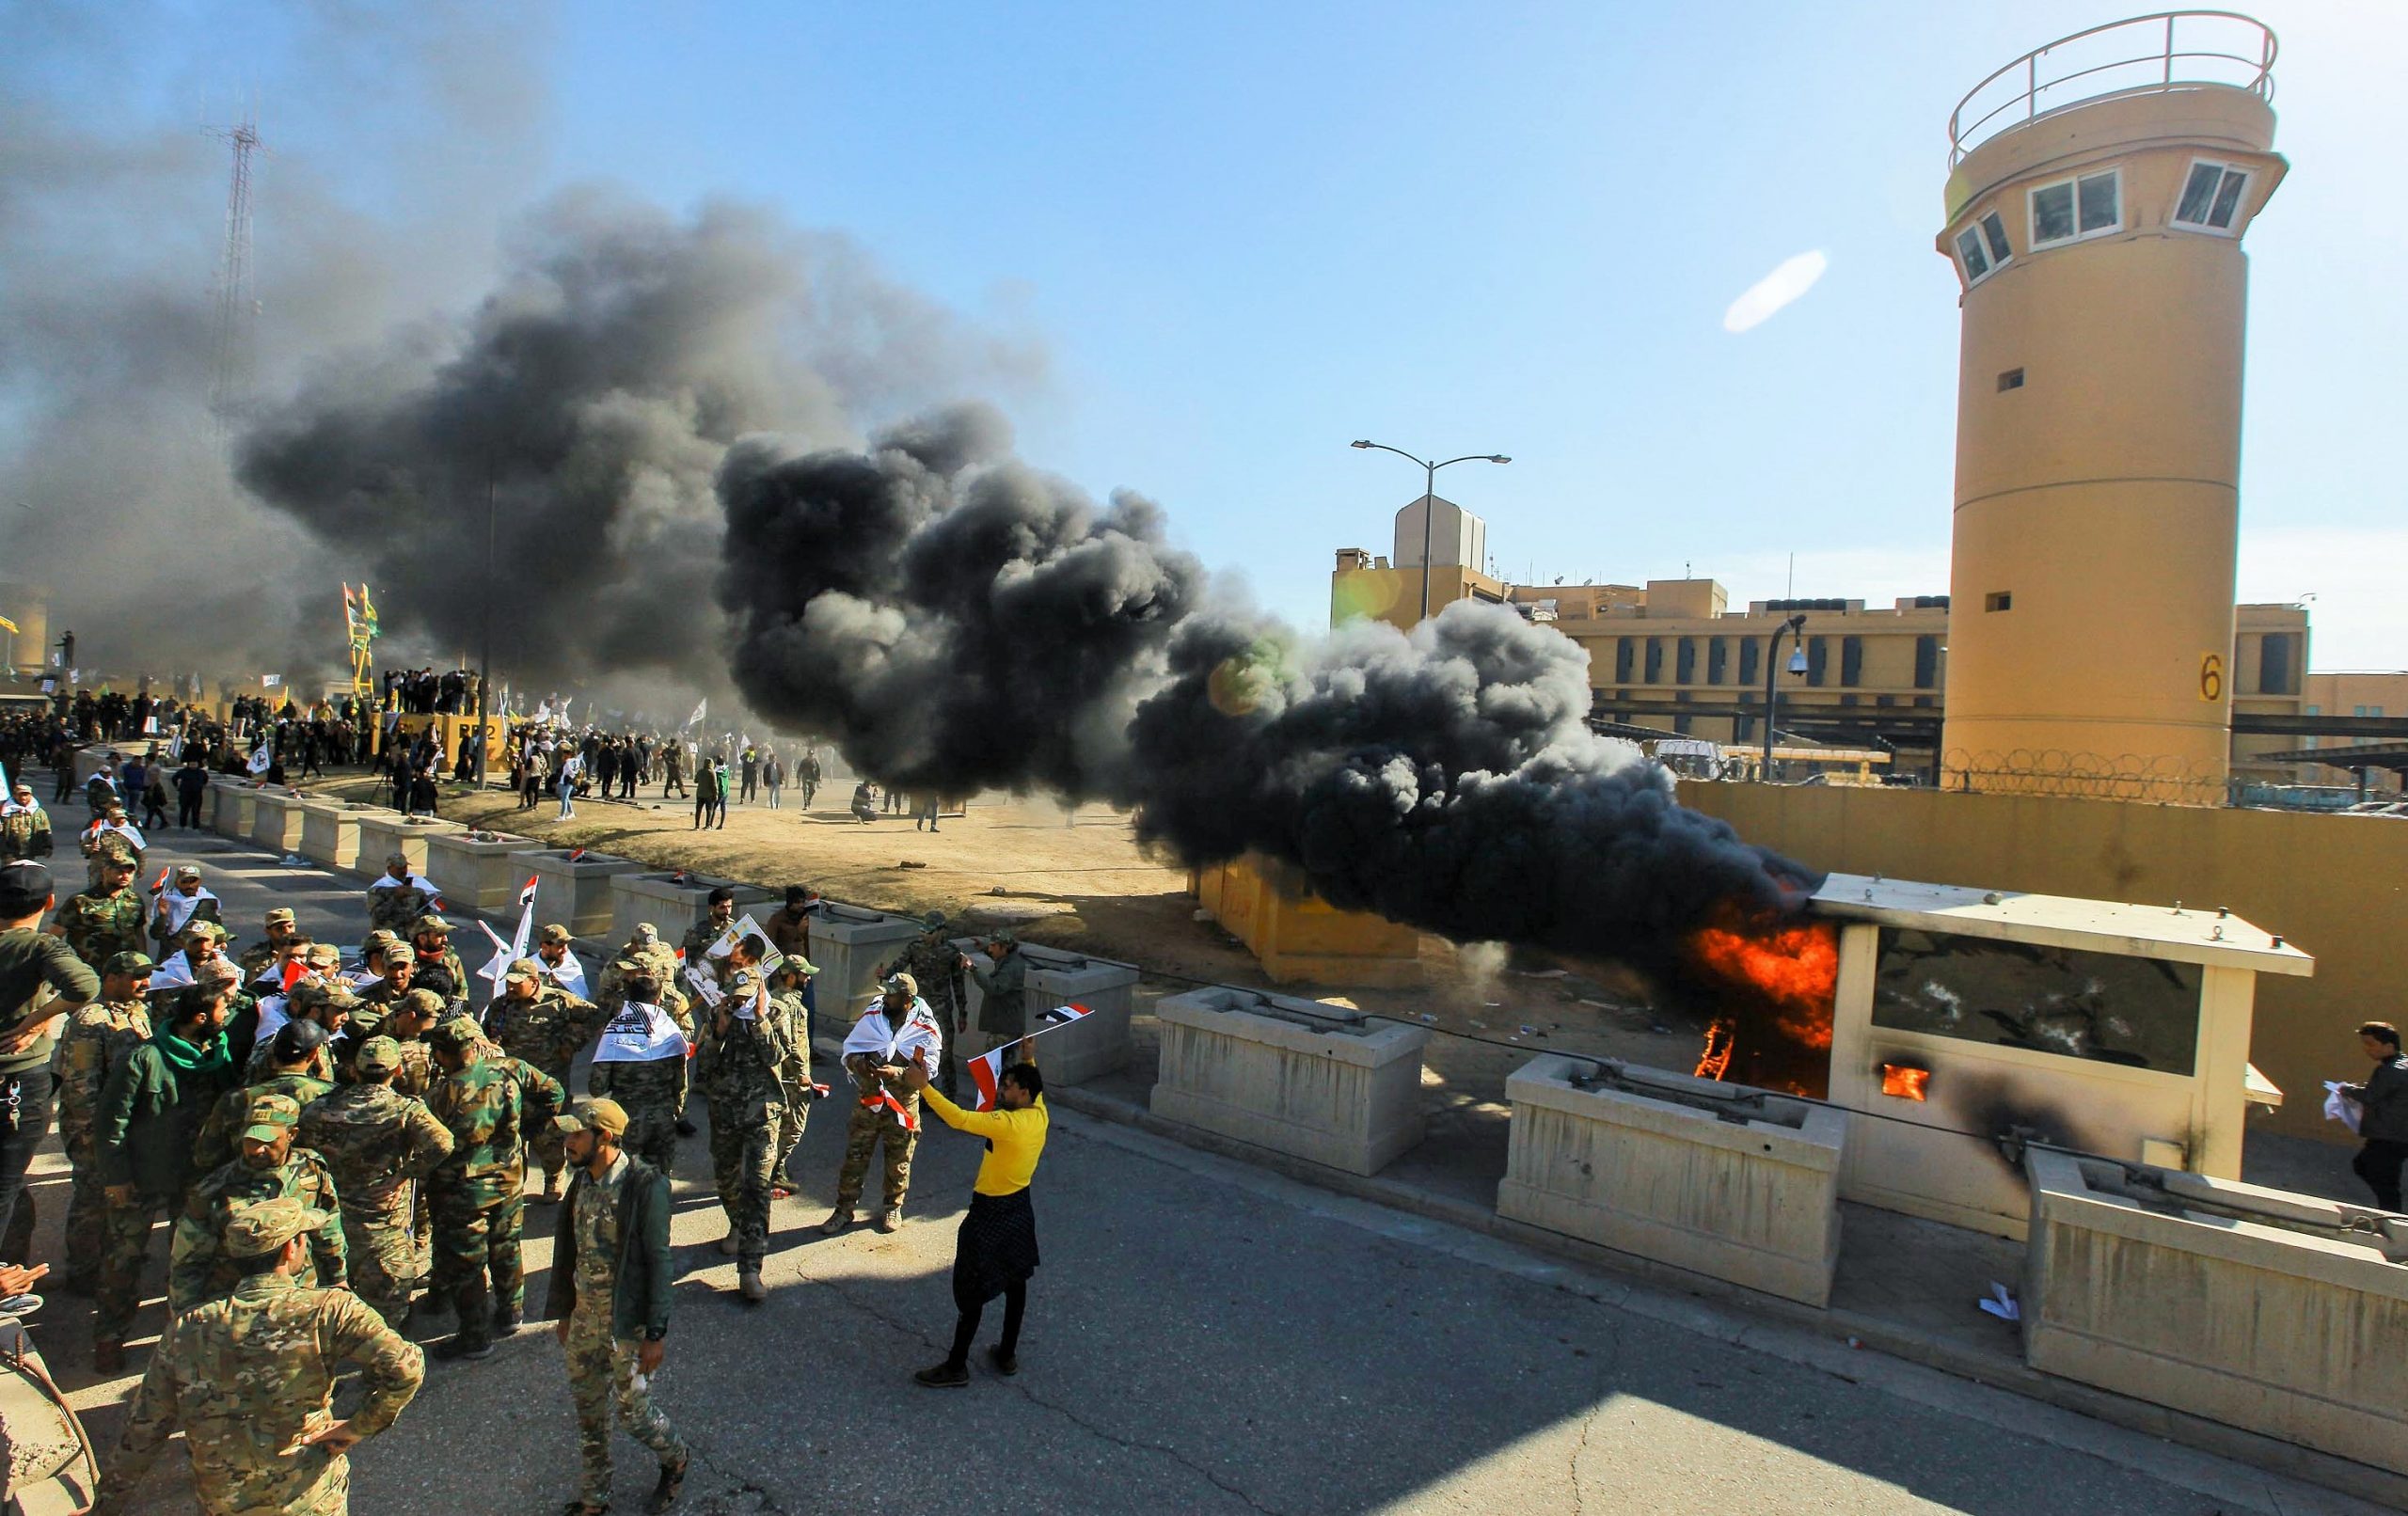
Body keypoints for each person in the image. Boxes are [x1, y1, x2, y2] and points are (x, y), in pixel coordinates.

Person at [95, 1196, 423, 1516]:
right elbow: (406, 1369)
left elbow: (144, 1428)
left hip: (222, 1503)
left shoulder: (188, 1328)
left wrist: (104, 1508)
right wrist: (357, 1427)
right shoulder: (330, 1311)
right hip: (309, 1499)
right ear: (290, 1249)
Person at [92, 958, 243, 1371]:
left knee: (189, 1263)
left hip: (194, 1175)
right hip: (141, 1177)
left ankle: (180, 1341)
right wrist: (116, 1178)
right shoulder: (144, 1060)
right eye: (220, 1011)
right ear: (199, 1017)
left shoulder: (216, 1056)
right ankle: (109, 1336)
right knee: (123, 1259)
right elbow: (110, 1125)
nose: (225, 1016)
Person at [546, 1099, 689, 1516]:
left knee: (633, 1415)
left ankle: (676, 1459)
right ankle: (595, 1501)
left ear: (605, 1137)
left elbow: (660, 1261)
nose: (567, 1142)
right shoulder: (582, 1181)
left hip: (628, 1324)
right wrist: (565, 1312)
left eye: (576, 1134)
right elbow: (568, 1250)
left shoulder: (644, 1185)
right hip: (585, 1319)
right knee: (589, 1410)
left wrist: (655, 1333)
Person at [424, 1016, 564, 1360]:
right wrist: (529, 1126)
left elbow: (429, 1147)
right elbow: (554, 1091)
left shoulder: (442, 1094)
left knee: (468, 1261)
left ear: (445, 1053)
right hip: (510, 1178)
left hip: (463, 1191)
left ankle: (475, 1337)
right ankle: (511, 1311)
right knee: (506, 1244)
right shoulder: (510, 1069)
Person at [905, 1058, 1049, 1387]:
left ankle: (957, 1365)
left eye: (1008, 1086)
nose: (1002, 1090)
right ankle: (1007, 1353)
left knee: (971, 1287)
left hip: (988, 1212)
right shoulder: (1039, 1114)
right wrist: (1029, 1056)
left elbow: (958, 1119)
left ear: (1023, 1093)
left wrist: (923, 1086)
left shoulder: (1006, 1124)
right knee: (1016, 1280)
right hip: (1019, 1207)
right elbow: (1038, 1091)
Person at [299, 1035, 452, 1328]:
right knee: (389, 1294)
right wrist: (404, 1173)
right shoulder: (405, 1109)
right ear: (397, 1072)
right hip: (384, 1216)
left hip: (333, 1211)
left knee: (334, 1282)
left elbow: (303, 1143)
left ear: (356, 1070)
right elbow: (443, 1143)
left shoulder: (322, 1107)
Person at [167, 1090, 347, 1314]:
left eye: (268, 1141)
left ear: (292, 1134)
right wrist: (184, 1317)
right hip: (239, 1308)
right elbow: (187, 1264)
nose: (256, 1149)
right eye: (251, 1140)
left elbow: (328, 1225)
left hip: (300, 1297)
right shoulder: (213, 1192)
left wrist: (339, 1278)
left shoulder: (311, 1169)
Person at [0, 860, 98, 1263]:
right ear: (51, 901)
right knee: (5, 1186)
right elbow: (85, 985)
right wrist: (38, 1019)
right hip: (18, 1080)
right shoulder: (39, 947)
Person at [694, 940, 801, 1302]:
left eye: (746, 996)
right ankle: (737, 1225)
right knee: (726, 1177)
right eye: (735, 997)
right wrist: (720, 1032)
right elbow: (704, 1070)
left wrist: (757, 1021)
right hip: (724, 1111)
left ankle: (751, 1268)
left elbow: (777, 1055)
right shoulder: (718, 1014)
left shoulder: (775, 1014)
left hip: (763, 1113)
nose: (739, 1002)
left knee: (756, 1186)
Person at [56, 950, 154, 1294]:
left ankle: (115, 1262)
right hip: (95, 1132)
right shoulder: (89, 1020)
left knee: (122, 1199)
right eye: (136, 976)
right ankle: (83, 1272)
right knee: (92, 1201)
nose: (145, 982)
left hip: (126, 1127)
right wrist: (95, 1139)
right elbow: (81, 1087)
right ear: (111, 979)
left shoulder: (139, 1011)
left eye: (147, 975)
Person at [822, 971, 943, 1235]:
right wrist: (860, 1064)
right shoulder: (874, 1015)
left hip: (902, 1106)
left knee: (899, 1159)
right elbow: (851, 1050)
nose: (885, 998)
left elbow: (927, 1071)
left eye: (892, 995)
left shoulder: (924, 1028)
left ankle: (893, 1207)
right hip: (869, 1100)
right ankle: (843, 1210)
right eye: (885, 993)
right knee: (855, 1156)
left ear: (907, 1000)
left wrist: (896, 1073)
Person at [485, 957, 604, 1203]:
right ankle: (515, 1183)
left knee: (548, 1137)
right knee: (512, 1136)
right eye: (508, 982)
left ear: (533, 982)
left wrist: (571, 1043)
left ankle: (553, 1177)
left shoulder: (559, 1001)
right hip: (512, 1084)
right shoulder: (501, 1005)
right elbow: (487, 1032)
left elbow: (595, 1017)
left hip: (548, 1084)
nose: (511, 988)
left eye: (517, 983)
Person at [587, 973, 689, 1176]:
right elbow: (681, 1083)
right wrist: (676, 1110)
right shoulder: (670, 1032)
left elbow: (596, 1087)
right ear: (658, 999)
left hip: (625, 1120)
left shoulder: (615, 1031)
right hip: (663, 1120)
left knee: (622, 1178)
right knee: (658, 1181)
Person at [881, 912, 967, 1098]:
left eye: (930, 932)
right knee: (919, 1053)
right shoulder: (915, 948)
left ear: (941, 931)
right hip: (917, 1011)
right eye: (924, 932)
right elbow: (897, 968)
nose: (925, 936)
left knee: (944, 1055)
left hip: (941, 1011)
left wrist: (963, 1013)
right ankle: (925, 1096)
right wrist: (885, 977)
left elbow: (958, 984)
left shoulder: (952, 952)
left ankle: (948, 1099)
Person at [2337, 1021, 2408, 1210]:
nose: (2366, 1049)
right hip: (2392, 1135)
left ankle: (2394, 1221)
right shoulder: (2398, 1066)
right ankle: (2391, 1216)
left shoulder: (2392, 1070)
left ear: (2389, 1046)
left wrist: (2347, 1089)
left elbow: (2370, 1096)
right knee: (2365, 1166)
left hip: (2391, 1136)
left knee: (2382, 1179)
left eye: (2371, 1044)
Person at [54, 851, 149, 974]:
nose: (125, 876)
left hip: (125, 969)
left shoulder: (135, 900)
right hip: (89, 969)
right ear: (105, 871)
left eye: (130, 872)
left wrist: (144, 961)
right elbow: (55, 935)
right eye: (120, 871)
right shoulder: (81, 901)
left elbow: (138, 933)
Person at [967, 928, 1033, 1066]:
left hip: (1004, 1029)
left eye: (993, 946)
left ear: (1005, 947)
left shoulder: (1011, 967)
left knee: (994, 1068)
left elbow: (994, 988)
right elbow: (998, 958)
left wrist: (973, 968)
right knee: (1005, 1068)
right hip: (1007, 1025)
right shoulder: (1009, 959)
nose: (990, 949)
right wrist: (984, 948)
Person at [150, 863, 223, 956]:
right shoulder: (166, 900)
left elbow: (217, 928)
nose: (189, 885)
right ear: (177, 882)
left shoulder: (209, 900)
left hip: (201, 955)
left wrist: (221, 942)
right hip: (172, 955)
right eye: (185, 882)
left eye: (193, 881)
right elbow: (155, 934)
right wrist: (163, 915)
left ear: (199, 882)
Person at [366, 853, 439, 936]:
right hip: (389, 936)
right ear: (389, 868)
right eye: (399, 868)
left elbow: (425, 909)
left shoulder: (415, 884)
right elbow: (377, 917)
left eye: (405, 867)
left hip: (414, 935)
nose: (403, 871)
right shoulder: (378, 888)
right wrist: (396, 898)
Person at [1, 779, 52, 860]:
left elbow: (45, 830)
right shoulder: (5, 811)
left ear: (31, 795)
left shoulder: (38, 812)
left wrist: (48, 846)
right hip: (10, 852)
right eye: (20, 795)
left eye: (26, 795)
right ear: (14, 795)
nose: (23, 797)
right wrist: (4, 851)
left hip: (29, 851)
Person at [172, 754, 210, 829]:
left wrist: (202, 785)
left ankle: (195, 827)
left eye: (195, 764)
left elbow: (205, 779)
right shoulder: (183, 771)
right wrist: (177, 786)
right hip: (185, 794)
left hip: (197, 794)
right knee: (184, 810)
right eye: (191, 764)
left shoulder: (201, 772)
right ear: (188, 764)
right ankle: (182, 825)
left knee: (196, 811)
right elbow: (174, 778)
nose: (193, 765)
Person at [691, 755, 722, 830]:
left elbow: (695, 781)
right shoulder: (712, 772)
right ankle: (708, 825)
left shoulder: (700, 771)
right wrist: (716, 794)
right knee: (709, 810)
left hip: (700, 793)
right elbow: (714, 785)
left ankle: (697, 826)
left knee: (698, 810)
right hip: (709, 794)